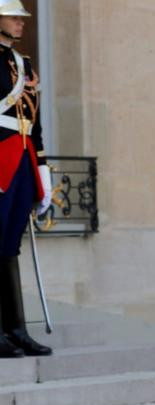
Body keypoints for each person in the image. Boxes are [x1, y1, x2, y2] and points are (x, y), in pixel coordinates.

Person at [0, 0, 52, 359]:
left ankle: (16, 329)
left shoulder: (24, 64)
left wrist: (43, 171)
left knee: (9, 243)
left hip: (22, 157)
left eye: (21, 18)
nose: (21, 22)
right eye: (14, 16)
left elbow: (35, 122)